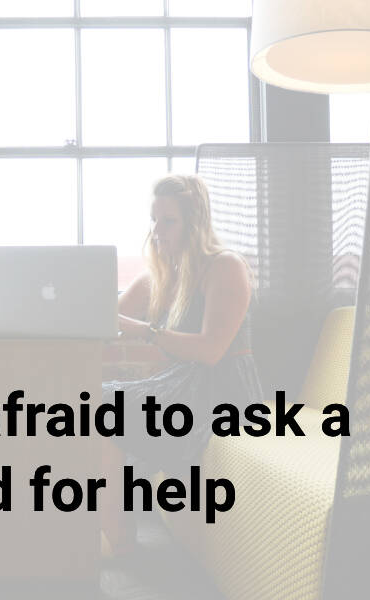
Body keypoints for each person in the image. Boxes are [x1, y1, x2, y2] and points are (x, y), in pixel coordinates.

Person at [100, 174, 263, 556]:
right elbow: (104, 321)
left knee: (102, 405)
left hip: (224, 391)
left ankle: (120, 543)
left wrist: (145, 331)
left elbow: (211, 351)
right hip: (182, 383)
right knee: (89, 401)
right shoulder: (160, 275)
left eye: (168, 221)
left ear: (194, 222)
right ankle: (115, 534)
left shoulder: (225, 266)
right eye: (154, 220)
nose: (157, 231)